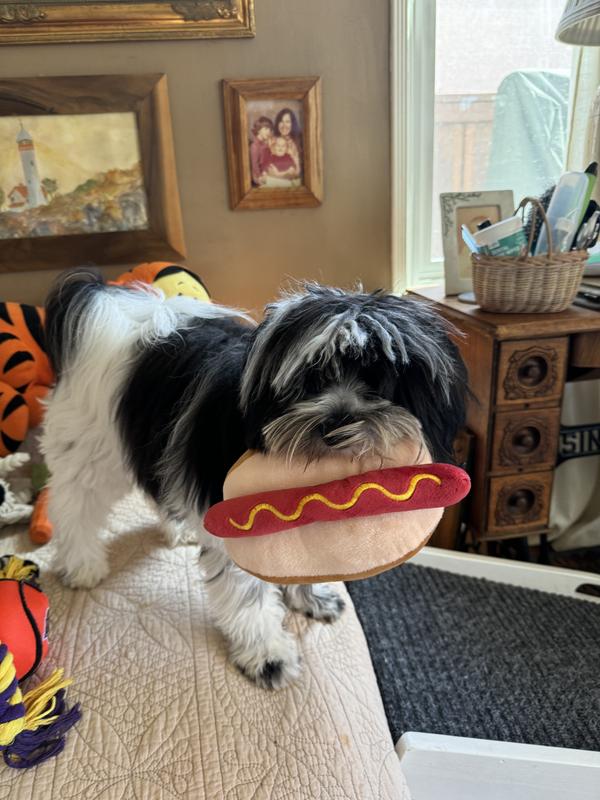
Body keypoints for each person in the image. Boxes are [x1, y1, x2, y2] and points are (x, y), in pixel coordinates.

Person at [273, 108, 302, 177]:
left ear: (292, 124)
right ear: (277, 123)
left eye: (287, 122)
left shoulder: (297, 143)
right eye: (281, 121)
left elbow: (297, 172)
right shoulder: (272, 141)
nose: (284, 125)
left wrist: (279, 174)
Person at [249, 116, 273, 185]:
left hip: (266, 172)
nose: (269, 132)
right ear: (259, 130)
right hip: (258, 177)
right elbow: (255, 166)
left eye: (270, 129)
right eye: (266, 129)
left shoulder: (265, 144)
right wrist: (260, 177)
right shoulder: (255, 146)